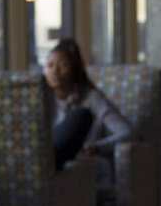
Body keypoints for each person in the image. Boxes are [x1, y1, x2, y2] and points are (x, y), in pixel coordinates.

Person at [43, 38, 132, 181]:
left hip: (82, 157)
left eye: (63, 65)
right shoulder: (39, 100)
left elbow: (127, 132)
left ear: (74, 70)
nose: (55, 71)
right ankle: (49, 160)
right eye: (50, 65)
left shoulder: (92, 99)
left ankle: (51, 160)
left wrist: (97, 147)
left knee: (80, 116)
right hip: (45, 155)